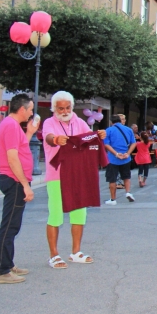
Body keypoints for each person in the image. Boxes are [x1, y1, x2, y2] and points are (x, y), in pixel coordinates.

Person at [42, 91, 106, 269]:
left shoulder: (80, 123)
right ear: (54, 108)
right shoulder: (49, 123)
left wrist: (99, 136)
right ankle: (53, 255)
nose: (64, 111)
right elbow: (47, 137)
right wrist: (55, 139)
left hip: (79, 175)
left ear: (72, 106)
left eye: (67, 107)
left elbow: (90, 139)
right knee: (55, 214)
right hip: (57, 176)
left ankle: (76, 251)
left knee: (79, 214)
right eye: (60, 108)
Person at [0, 94, 36, 284]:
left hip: (16, 181)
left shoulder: (13, 126)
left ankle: (8, 264)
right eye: (31, 109)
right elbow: (12, 158)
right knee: (9, 226)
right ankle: (2, 271)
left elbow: (20, 148)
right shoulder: (10, 125)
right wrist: (25, 185)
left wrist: (30, 133)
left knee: (13, 225)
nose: (32, 113)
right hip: (14, 181)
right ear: (22, 109)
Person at [103, 114, 136, 205]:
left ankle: (113, 199)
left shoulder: (108, 130)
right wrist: (128, 153)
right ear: (120, 120)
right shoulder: (129, 130)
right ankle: (128, 192)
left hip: (112, 159)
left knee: (112, 179)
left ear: (111, 121)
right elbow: (133, 143)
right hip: (126, 158)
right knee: (126, 177)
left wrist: (116, 154)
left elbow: (106, 144)